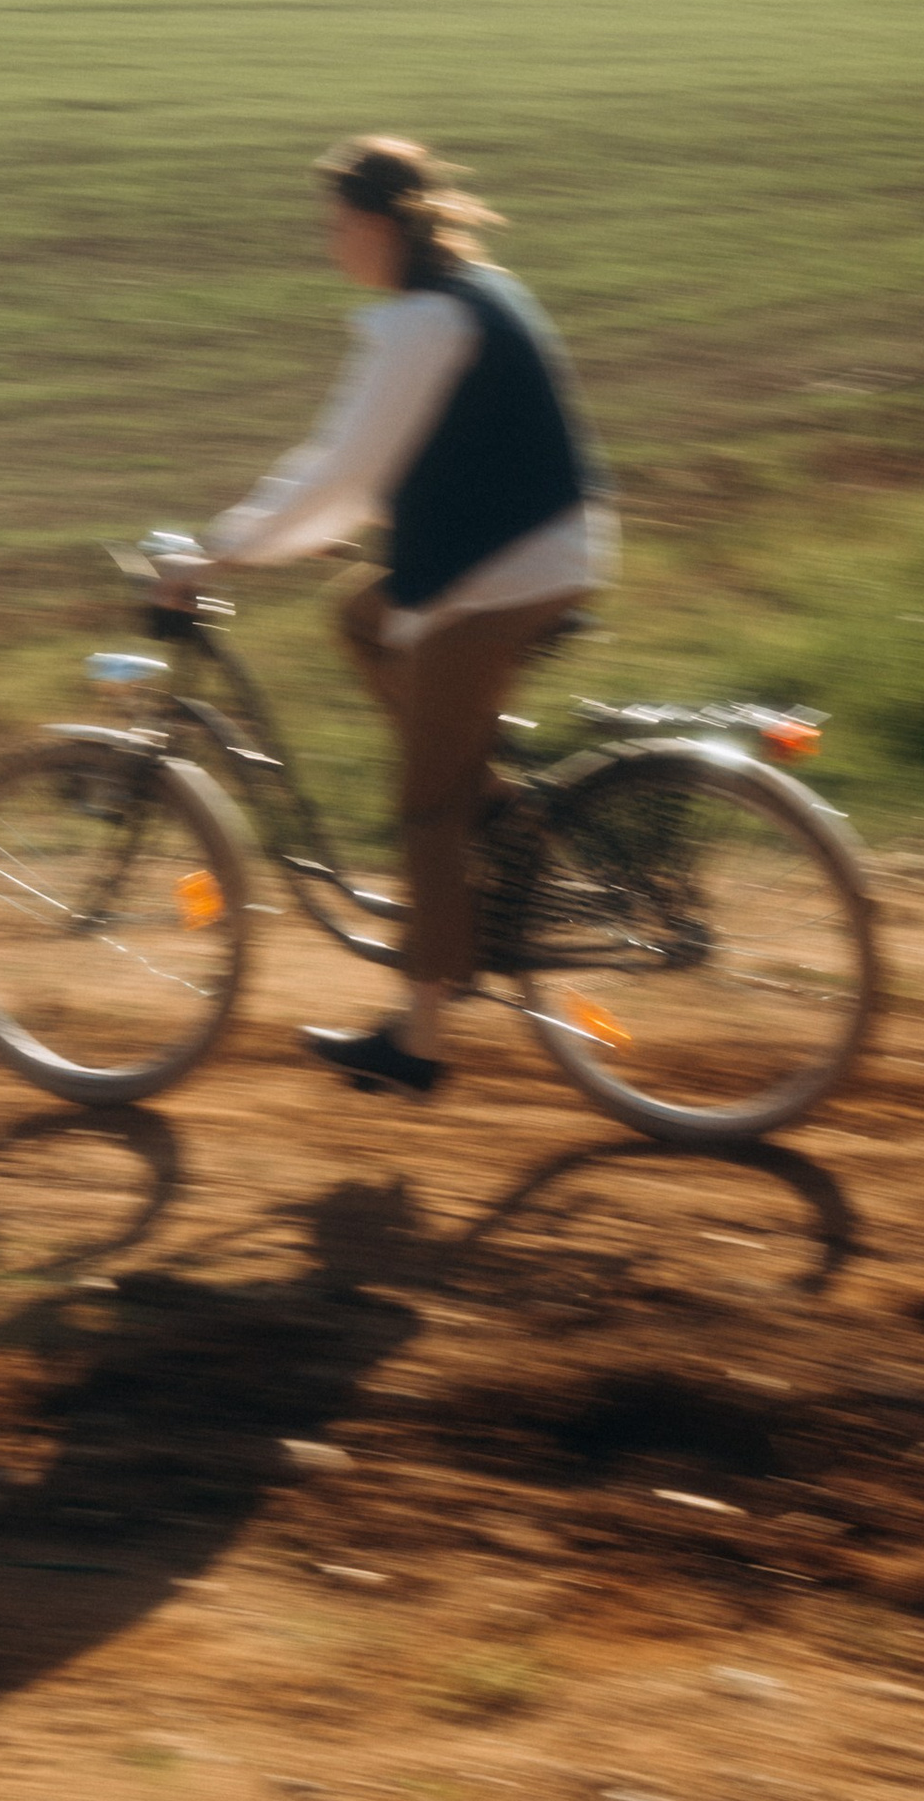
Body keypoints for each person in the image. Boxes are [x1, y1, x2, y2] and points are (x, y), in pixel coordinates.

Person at [157, 134, 614, 1101]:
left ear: (373, 223)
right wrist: (325, 524)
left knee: (424, 805)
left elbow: (341, 464)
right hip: (534, 551)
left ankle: (421, 1040)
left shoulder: (423, 325)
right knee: (360, 617)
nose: (329, 247)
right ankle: (502, 815)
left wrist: (219, 551)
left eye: (333, 227)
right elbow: (389, 460)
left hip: (504, 576)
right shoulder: (467, 296)